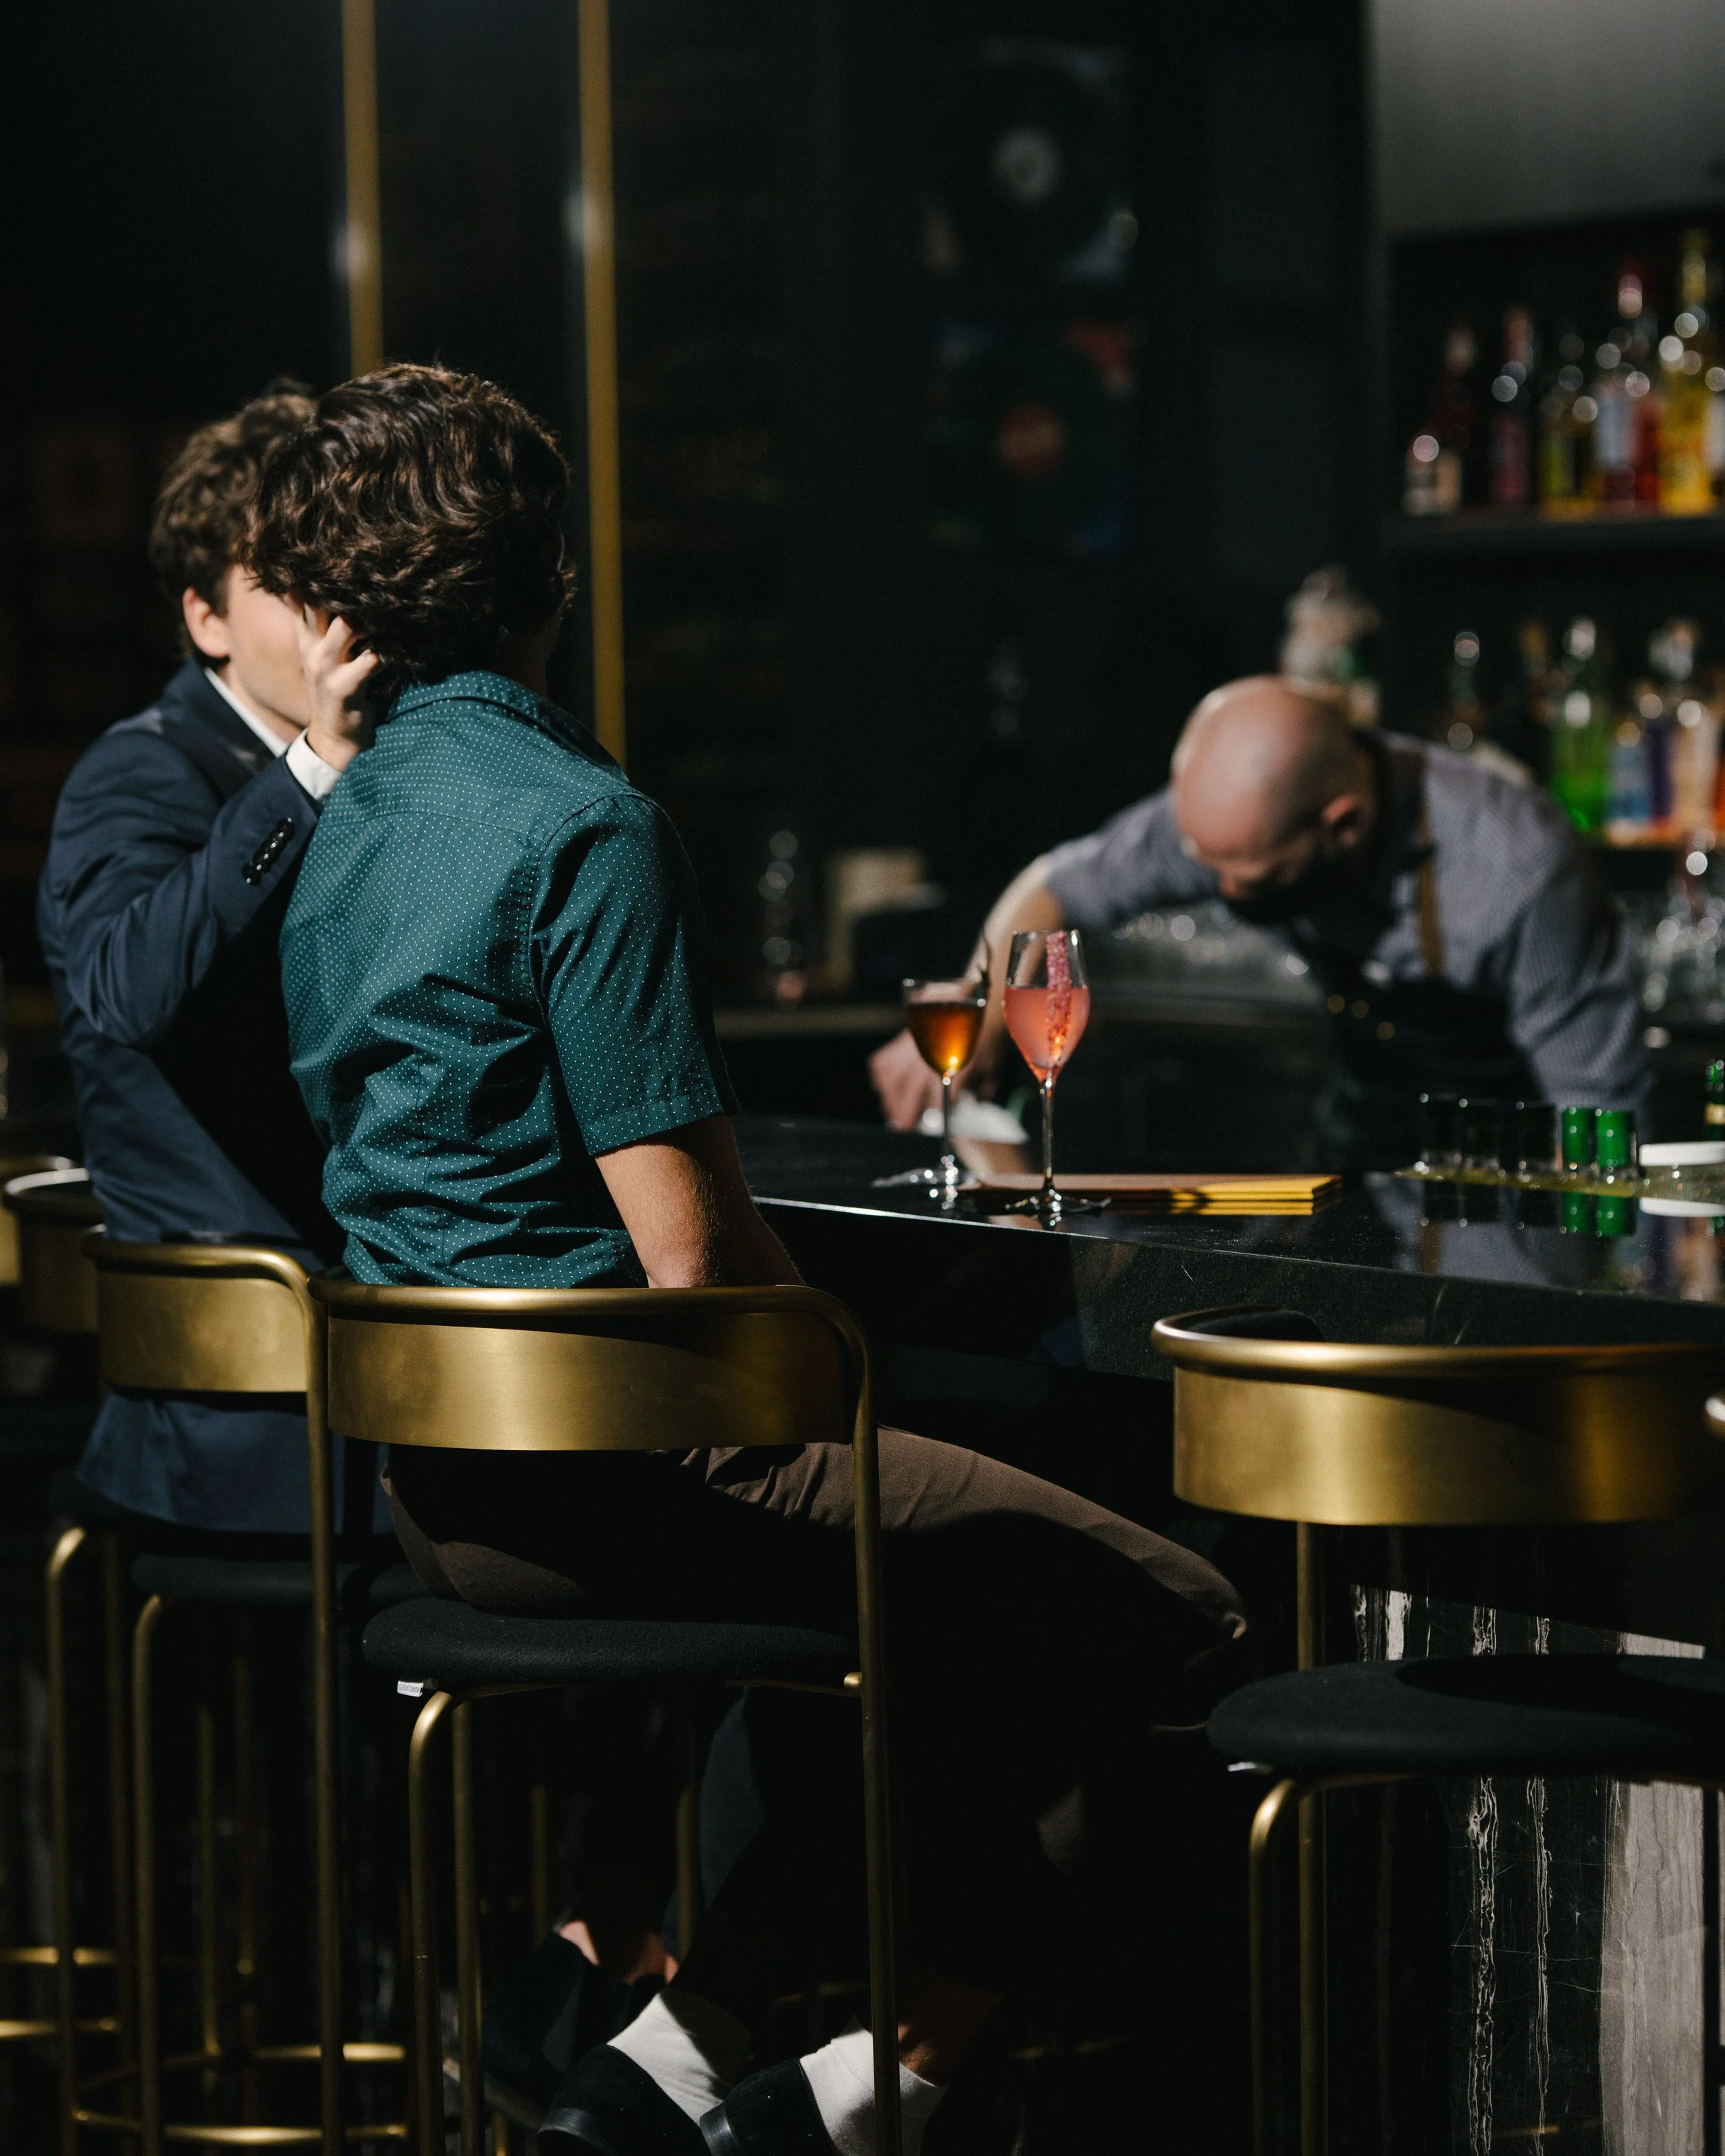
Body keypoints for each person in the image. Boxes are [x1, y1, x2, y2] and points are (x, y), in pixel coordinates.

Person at [248, 363, 1246, 2156]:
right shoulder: (587, 827)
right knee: (1169, 1608)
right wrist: (846, 1361)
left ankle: (679, 2057)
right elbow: (698, 1267)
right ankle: (907, 2074)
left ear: (346, 609)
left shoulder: (337, 835)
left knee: (898, 1616)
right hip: (633, 1470)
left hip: (439, 1489)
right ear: (552, 577)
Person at [37, 387, 377, 1532]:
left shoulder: (368, 763)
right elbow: (124, 992)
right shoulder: (141, 772)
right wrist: (310, 766)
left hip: (377, 1346)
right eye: (287, 582)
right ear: (206, 620)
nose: (330, 609)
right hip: (248, 1403)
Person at [871, 676, 1648, 1170]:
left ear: (1339, 826)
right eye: (1198, 859)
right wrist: (980, 999)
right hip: (1357, 1151)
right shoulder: (1233, 819)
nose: (1207, 884)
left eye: (1239, 875)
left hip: (1505, 1173)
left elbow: (1600, 1127)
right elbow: (1055, 884)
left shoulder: (1517, 870)